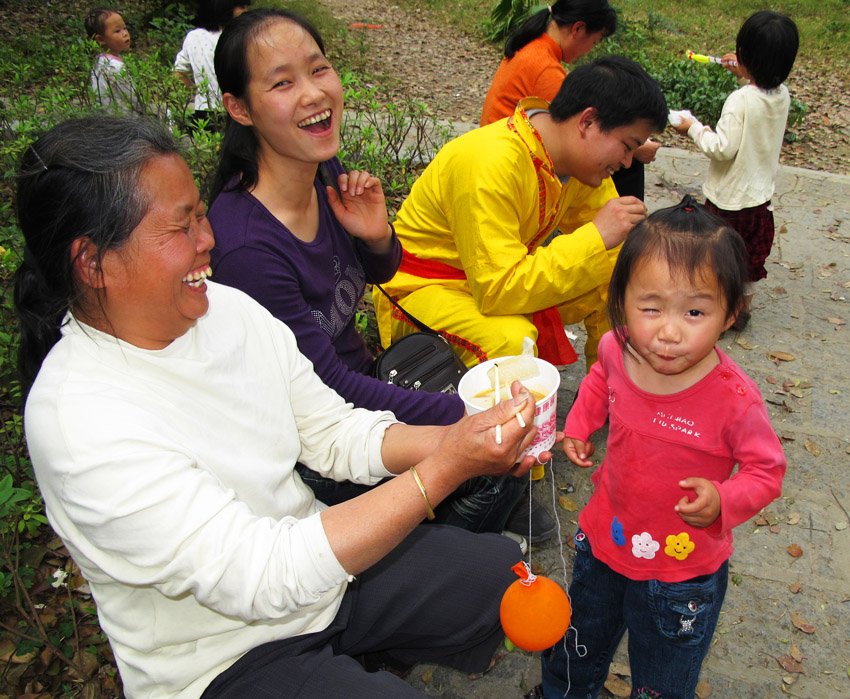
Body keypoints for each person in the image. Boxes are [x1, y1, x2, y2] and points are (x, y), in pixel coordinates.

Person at [15, 114, 548, 699]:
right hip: (222, 658)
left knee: (498, 578)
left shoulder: (226, 309)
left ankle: (362, 655)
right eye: (179, 228)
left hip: (318, 579)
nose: (207, 239)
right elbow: (262, 574)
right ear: (94, 263)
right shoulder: (78, 421)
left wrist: (459, 440)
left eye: (200, 213)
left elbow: (331, 430)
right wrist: (446, 468)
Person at [207, 8, 536, 541]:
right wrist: (465, 416)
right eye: (283, 82)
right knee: (486, 459)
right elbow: (327, 388)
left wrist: (377, 235)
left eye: (318, 69)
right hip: (316, 443)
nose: (314, 94)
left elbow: (379, 272)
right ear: (238, 108)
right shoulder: (247, 249)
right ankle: (442, 552)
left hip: (361, 386)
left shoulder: (322, 171)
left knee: (494, 436)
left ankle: (468, 526)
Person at [527, 197, 786, 699]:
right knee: (577, 642)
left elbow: (765, 470)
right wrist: (580, 424)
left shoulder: (735, 401)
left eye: (694, 311)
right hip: (606, 541)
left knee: (663, 675)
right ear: (621, 300)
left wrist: (723, 501)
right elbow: (600, 379)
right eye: (651, 308)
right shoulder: (618, 349)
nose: (669, 332)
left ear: (730, 312)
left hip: (682, 573)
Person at [375, 55, 667, 372]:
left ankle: (616, 387)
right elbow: (497, 290)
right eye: (627, 146)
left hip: (488, 282)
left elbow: (613, 251)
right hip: (422, 290)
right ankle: (492, 420)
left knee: (617, 264)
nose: (627, 163)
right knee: (513, 344)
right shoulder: (490, 160)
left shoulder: (578, 167)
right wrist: (595, 238)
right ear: (587, 122)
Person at [671, 11, 799, 330]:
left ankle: (713, 313)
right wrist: (744, 72)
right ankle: (742, 309)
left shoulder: (739, 101)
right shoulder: (782, 95)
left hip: (728, 201)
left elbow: (721, 148)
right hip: (760, 200)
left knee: (717, 258)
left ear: (744, 56)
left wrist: (693, 128)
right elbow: (760, 96)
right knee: (750, 259)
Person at [480, 0, 658, 201]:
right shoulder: (545, 68)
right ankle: (629, 227)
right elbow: (579, 125)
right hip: (509, 163)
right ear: (579, 28)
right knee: (625, 164)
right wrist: (637, 149)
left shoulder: (532, 47)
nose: (589, 50)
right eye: (594, 42)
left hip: (500, 147)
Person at [173, 0, 250, 132]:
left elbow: (178, 74)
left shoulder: (193, 37)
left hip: (202, 112)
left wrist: (198, 92)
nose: (246, 11)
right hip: (236, 112)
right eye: (242, 7)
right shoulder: (239, 38)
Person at [85, 7, 139, 113]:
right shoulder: (115, 66)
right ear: (100, 39)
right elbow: (133, 97)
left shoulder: (99, 61)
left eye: (125, 28)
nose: (125, 34)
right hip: (125, 120)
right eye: (117, 31)